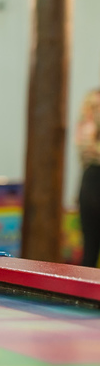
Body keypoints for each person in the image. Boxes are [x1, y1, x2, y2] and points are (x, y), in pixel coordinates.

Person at [76, 87, 100, 267]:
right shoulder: (86, 128)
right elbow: (86, 152)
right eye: (94, 106)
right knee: (90, 248)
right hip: (91, 184)